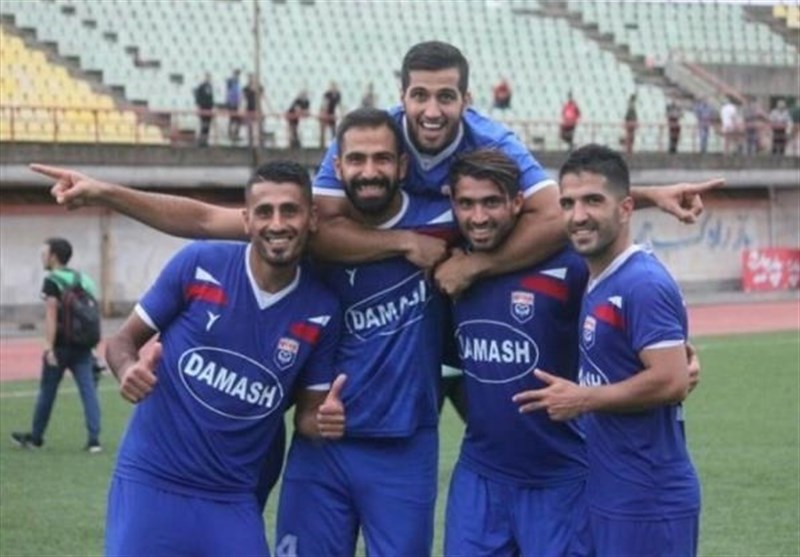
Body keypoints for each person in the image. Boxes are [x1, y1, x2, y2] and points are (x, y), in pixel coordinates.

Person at [36, 161, 347, 556]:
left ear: (312, 218)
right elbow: (121, 342)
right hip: (152, 481)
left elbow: (308, 416)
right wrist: (128, 369)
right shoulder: (200, 264)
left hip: (233, 496)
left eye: (290, 210)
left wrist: (325, 420)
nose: (277, 223)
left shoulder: (321, 309)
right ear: (247, 220)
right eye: (265, 211)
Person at [275, 108, 456, 557]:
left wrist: (476, 264)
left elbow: (538, 219)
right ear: (337, 167)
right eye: (356, 159)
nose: (369, 172)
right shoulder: (309, 232)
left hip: (404, 445)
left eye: (382, 159)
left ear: (403, 166)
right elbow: (213, 225)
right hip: (321, 440)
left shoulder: (445, 221)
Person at [514, 144, 701, 557]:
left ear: (626, 208)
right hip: (610, 490)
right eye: (568, 203)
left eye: (593, 201)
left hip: (649, 498)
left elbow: (671, 381)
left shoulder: (642, 283)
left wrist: (583, 399)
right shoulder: (599, 277)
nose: (578, 215)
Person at [444, 149, 589, 556]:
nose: (478, 217)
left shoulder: (571, 265)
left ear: (517, 202)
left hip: (560, 477)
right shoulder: (451, 269)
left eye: (491, 202)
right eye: (466, 204)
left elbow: (623, 329)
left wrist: (677, 354)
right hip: (480, 477)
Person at [11, 237, 102, 453]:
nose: (42, 257)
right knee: (88, 392)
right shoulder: (85, 280)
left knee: (47, 392)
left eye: (44, 254)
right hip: (83, 346)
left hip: (60, 346)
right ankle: (94, 440)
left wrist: (48, 347)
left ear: (54, 257)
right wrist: (93, 347)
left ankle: (36, 438)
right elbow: (93, 316)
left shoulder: (52, 281)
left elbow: (51, 315)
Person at [243, 73, 264, 148]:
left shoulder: (259, 87)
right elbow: (244, 98)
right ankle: (250, 142)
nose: (251, 80)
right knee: (250, 127)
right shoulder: (246, 88)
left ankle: (259, 142)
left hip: (257, 109)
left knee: (258, 126)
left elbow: (262, 96)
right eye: (250, 78)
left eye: (252, 78)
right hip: (249, 108)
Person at [194, 73, 214, 147]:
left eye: (209, 78)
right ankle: (201, 140)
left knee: (207, 125)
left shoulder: (210, 87)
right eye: (207, 77)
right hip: (203, 108)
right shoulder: (201, 86)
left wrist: (212, 107)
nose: (208, 79)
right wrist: (199, 106)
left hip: (209, 109)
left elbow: (211, 98)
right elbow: (197, 97)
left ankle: (205, 140)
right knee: (203, 124)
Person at [319, 81, 342, 148]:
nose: (333, 88)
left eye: (335, 87)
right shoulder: (327, 95)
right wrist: (324, 114)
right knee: (323, 130)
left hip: (332, 113)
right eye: (332, 87)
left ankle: (334, 145)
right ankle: (322, 145)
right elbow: (325, 104)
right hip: (325, 112)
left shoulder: (338, 95)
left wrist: (341, 113)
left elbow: (339, 104)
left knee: (333, 129)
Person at [225, 69, 243, 143]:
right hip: (231, 104)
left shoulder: (237, 82)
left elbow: (238, 93)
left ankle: (234, 134)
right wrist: (230, 102)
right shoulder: (231, 81)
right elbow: (230, 92)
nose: (237, 76)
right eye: (236, 74)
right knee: (233, 119)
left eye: (238, 75)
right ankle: (231, 134)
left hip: (236, 104)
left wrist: (239, 101)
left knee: (237, 120)